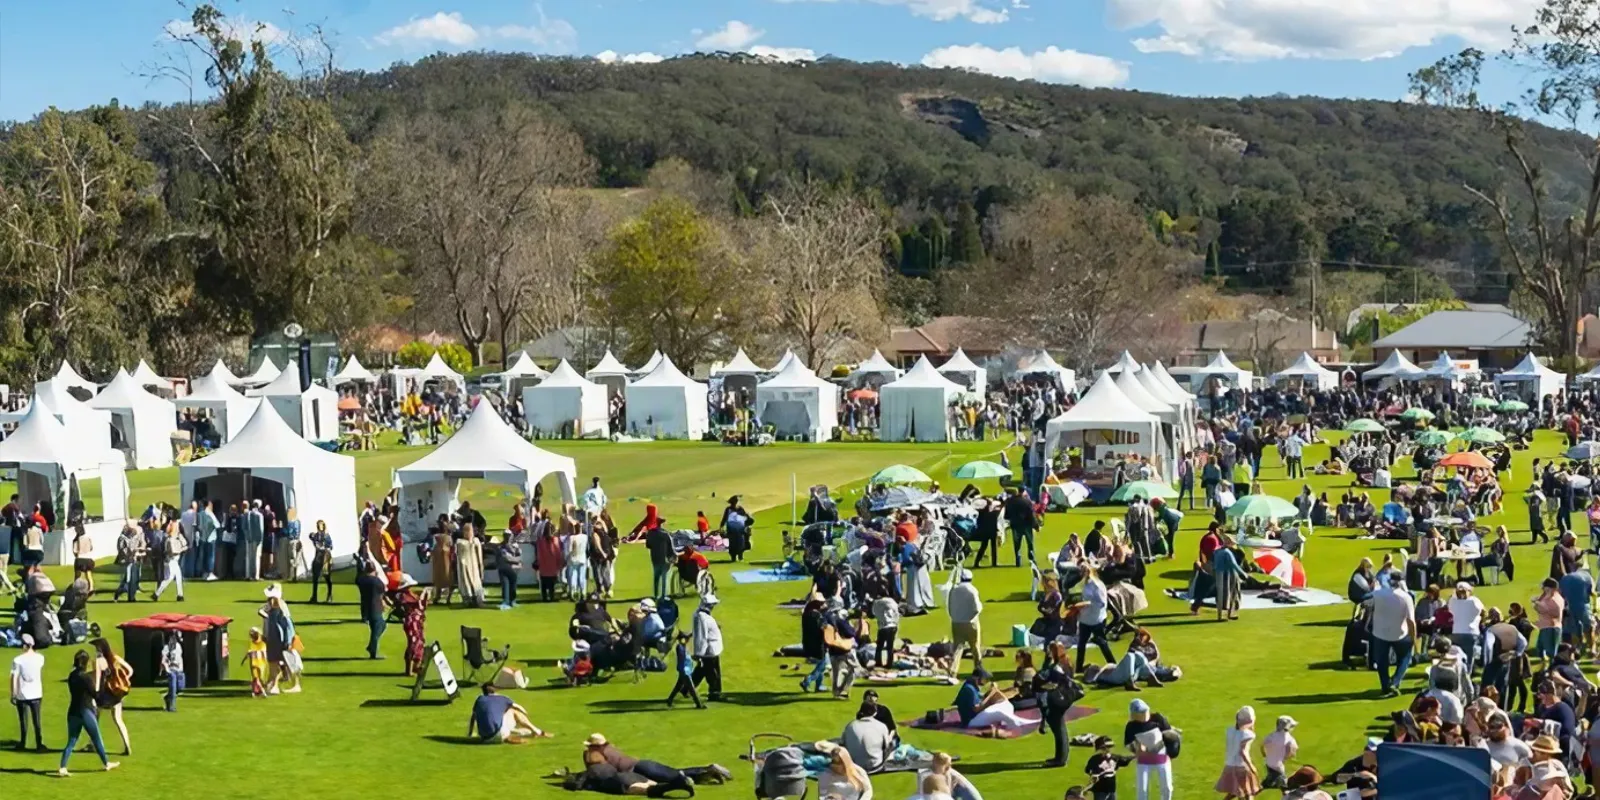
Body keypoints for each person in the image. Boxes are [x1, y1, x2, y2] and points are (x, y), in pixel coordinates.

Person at [58, 649, 118, 776]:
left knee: (71, 741)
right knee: (96, 738)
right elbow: (97, 696)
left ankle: (62, 767)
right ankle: (106, 763)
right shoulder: (85, 678)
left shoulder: (72, 676)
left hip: (73, 711)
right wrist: (102, 679)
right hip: (85, 711)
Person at [1369, 572, 1416, 697]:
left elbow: (1366, 603)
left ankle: (1385, 686)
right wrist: (1414, 638)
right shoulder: (1406, 597)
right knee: (1405, 658)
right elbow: (1411, 621)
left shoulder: (1378, 594)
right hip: (1400, 634)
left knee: (1382, 662)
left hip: (1380, 633)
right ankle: (1394, 682)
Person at [1038, 642, 1080, 768]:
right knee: (1059, 727)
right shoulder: (1066, 662)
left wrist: (1047, 660)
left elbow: (1044, 676)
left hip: (1056, 699)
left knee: (1058, 728)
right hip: (1063, 698)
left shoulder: (1056, 666)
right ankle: (1061, 756)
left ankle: (1060, 759)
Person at [955, 668, 1032, 735]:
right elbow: (976, 709)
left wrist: (993, 692)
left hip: (974, 717)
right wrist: (991, 695)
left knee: (1002, 701)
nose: (986, 681)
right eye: (985, 679)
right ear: (977, 678)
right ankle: (1015, 723)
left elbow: (982, 698)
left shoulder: (971, 686)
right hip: (971, 721)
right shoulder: (969, 689)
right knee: (998, 712)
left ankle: (1010, 720)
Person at [89, 638, 132, 756]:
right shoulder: (115, 658)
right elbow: (130, 670)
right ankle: (127, 745)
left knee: (95, 718)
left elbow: (97, 680)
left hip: (104, 694)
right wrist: (123, 679)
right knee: (118, 720)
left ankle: (92, 744)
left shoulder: (98, 661)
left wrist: (94, 694)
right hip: (116, 694)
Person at [1125, 697, 1173, 800]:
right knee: (1142, 790)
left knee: (1167, 788)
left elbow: (1169, 735)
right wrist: (1137, 748)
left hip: (1161, 758)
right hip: (1144, 761)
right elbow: (1128, 743)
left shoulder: (1158, 718)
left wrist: (1170, 750)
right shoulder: (1131, 726)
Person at [468, 684, 549, 743]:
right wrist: (525, 714)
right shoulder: (503, 698)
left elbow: (473, 717)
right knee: (513, 711)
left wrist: (470, 733)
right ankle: (537, 731)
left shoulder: (479, 699)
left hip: (484, 738)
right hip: (498, 734)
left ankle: (517, 733)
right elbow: (519, 708)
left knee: (498, 717)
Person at [1216, 706, 1260, 800]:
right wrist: (1251, 766)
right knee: (1248, 792)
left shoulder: (1230, 730)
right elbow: (1243, 752)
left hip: (1229, 765)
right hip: (1242, 766)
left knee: (1235, 791)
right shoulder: (1249, 735)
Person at [10, 633, 45, 751]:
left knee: (23, 720)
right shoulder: (40, 658)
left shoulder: (18, 660)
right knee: (37, 720)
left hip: (22, 694)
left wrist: (13, 694)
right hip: (36, 693)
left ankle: (23, 742)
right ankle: (39, 743)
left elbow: (14, 677)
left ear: (25, 645)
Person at [1078, 567, 1116, 671]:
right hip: (1085, 618)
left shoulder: (1098, 585)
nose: (1081, 573)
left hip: (1096, 619)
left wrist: (1087, 604)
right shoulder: (1085, 583)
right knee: (1081, 643)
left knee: (1102, 642)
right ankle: (1078, 667)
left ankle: (1113, 663)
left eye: (1084, 571)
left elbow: (1102, 603)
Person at [947, 569, 984, 677]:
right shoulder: (972, 590)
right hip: (971, 622)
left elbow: (949, 606)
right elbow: (977, 608)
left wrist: (954, 616)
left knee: (957, 648)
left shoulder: (953, 589)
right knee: (975, 647)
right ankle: (978, 669)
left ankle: (952, 672)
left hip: (956, 623)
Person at [842, 705, 894, 773]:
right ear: (875, 713)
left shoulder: (850, 725)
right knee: (891, 744)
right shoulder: (881, 726)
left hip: (854, 765)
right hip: (875, 766)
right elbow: (887, 745)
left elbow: (843, 743)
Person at [1447, 582, 1486, 673]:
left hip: (1456, 632)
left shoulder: (1453, 601)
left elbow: (1452, 600)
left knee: (1457, 657)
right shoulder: (1474, 600)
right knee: (1469, 659)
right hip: (1470, 633)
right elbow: (1483, 611)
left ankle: (1457, 675)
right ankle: (1466, 678)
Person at [691, 593, 724, 701]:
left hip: (710, 649)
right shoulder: (702, 617)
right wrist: (699, 653)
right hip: (709, 651)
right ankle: (715, 694)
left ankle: (686, 689)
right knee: (713, 674)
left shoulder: (703, 616)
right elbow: (702, 636)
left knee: (701, 671)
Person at [356, 561, 387, 659]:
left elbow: (358, 579)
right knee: (379, 627)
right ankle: (372, 649)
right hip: (375, 607)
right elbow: (383, 590)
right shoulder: (377, 581)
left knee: (377, 627)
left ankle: (372, 649)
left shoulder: (361, 580)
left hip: (365, 607)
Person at [664, 631, 702, 709]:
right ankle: (699, 704)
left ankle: (669, 700)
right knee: (692, 689)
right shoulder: (680, 648)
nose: (687, 640)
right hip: (685, 671)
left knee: (677, 687)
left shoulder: (683, 647)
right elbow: (684, 658)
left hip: (685, 670)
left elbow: (687, 656)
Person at [1260, 716, 1298, 790]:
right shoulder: (1289, 738)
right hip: (1278, 766)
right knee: (1284, 785)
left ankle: (1269, 782)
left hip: (1268, 763)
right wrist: (1286, 757)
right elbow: (1293, 751)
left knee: (1271, 777)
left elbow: (1262, 745)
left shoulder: (1271, 736)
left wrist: (1264, 754)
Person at [153, 519, 187, 601]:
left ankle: (180, 595)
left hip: (174, 560)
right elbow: (173, 551)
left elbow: (185, 543)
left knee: (178, 576)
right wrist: (182, 549)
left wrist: (181, 542)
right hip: (171, 560)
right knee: (169, 578)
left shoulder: (177, 536)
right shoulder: (170, 539)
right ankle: (157, 593)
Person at [1533, 578, 1565, 665]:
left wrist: (1537, 604)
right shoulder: (1553, 597)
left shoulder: (1553, 600)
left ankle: (1552, 669)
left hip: (1550, 628)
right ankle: (1544, 665)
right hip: (1545, 626)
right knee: (1540, 649)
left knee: (1550, 652)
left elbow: (1554, 613)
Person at [1004, 487, 1038, 566]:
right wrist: (1035, 525)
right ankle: (1031, 556)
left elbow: (1006, 516)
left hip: (1015, 525)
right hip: (1027, 525)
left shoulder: (1009, 501)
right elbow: (1031, 515)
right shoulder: (1027, 501)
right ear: (1023, 492)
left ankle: (1018, 557)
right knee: (1030, 542)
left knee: (1017, 543)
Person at [1084, 735, 1125, 800]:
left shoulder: (1114, 758)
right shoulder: (1094, 759)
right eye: (1104, 748)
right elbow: (1087, 770)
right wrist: (1094, 776)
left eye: (1109, 747)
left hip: (1111, 789)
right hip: (1100, 790)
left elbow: (1116, 767)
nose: (1108, 750)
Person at [456, 524, 486, 608]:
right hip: (465, 566)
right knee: (466, 583)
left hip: (474, 566)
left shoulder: (475, 541)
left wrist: (480, 567)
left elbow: (479, 555)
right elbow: (460, 552)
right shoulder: (460, 542)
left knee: (476, 582)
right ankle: (468, 600)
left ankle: (477, 600)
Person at [112, 524, 145, 603]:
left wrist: (140, 549)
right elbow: (121, 550)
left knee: (134, 580)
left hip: (135, 560)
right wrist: (130, 552)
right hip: (126, 561)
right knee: (127, 580)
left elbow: (143, 543)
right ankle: (118, 593)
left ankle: (131, 597)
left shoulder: (137, 536)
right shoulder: (122, 538)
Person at [646, 518, 674, 599]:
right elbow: (671, 547)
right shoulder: (665, 534)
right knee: (665, 578)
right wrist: (672, 556)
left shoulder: (650, 534)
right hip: (665, 559)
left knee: (656, 577)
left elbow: (648, 545)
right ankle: (663, 595)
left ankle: (655, 595)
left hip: (655, 558)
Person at [307, 520, 334, 603]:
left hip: (325, 556)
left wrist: (324, 548)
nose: (319, 527)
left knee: (327, 577)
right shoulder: (316, 535)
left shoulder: (326, 536)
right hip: (318, 556)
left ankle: (329, 595)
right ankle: (314, 596)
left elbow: (331, 546)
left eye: (320, 525)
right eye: (318, 525)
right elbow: (311, 537)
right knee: (315, 577)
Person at [536, 522, 563, 602]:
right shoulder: (556, 540)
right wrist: (559, 564)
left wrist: (539, 563)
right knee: (551, 584)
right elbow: (558, 553)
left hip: (544, 565)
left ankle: (544, 598)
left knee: (544, 583)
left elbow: (539, 554)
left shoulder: (541, 541)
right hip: (553, 565)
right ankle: (551, 597)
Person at [159, 629, 184, 712]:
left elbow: (180, 658)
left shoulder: (179, 646)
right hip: (171, 670)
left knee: (180, 688)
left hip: (179, 670)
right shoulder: (166, 648)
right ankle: (171, 707)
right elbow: (163, 660)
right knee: (173, 688)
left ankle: (167, 697)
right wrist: (166, 669)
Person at [498, 530, 522, 610]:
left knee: (513, 586)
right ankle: (505, 602)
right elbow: (506, 558)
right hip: (504, 568)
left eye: (509, 535)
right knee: (505, 585)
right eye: (506, 535)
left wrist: (515, 559)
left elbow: (519, 557)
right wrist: (516, 560)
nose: (507, 537)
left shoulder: (515, 546)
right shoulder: (501, 546)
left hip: (513, 569)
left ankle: (512, 601)